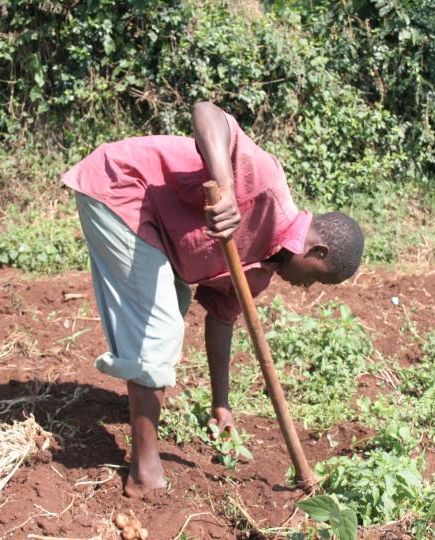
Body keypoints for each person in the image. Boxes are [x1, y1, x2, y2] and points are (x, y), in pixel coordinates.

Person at [62, 101, 364, 497]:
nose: (306, 290)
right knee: (160, 323)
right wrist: (225, 190)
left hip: (157, 232)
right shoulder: (269, 184)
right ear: (318, 253)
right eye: (316, 282)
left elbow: (221, 322)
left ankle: (145, 429)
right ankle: (143, 471)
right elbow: (207, 113)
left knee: (175, 298)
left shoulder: (259, 275)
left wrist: (221, 405)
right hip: (123, 185)